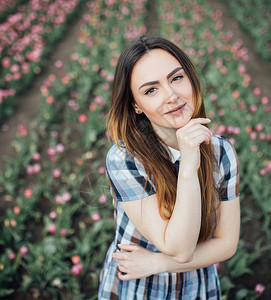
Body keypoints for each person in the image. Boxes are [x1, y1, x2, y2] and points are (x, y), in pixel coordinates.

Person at [98, 35, 240, 299]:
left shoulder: (221, 152)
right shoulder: (125, 160)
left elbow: (227, 243)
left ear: (191, 78)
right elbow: (180, 248)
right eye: (151, 90)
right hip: (140, 285)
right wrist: (188, 166)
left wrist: (158, 263)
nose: (172, 96)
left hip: (192, 283)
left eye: (176, 78)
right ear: (136, 106)